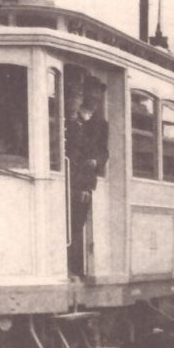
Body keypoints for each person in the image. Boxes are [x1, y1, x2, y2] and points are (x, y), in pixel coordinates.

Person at [65, 77, 110, 277]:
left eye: (98, 95)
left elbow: (103, 152)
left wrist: (96, 163)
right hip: (69, 178)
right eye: (91, 93)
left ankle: (75, 267)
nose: (94, 98)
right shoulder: (72, 119)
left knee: (76, 223)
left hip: (83, 180)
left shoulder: (100, 123)